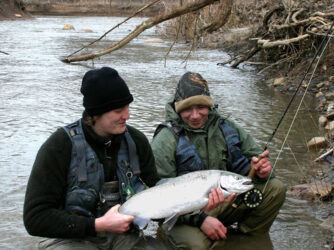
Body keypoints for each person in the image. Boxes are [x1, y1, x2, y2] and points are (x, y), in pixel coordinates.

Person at [23, 67, 170, 249]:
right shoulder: (59, 146)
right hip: (71, 240)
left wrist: (197, 210)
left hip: (125, 238)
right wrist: (97, 225)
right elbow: (34, 219)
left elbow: (157, 193)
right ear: (95, 113)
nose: (127, 115)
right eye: (118, 110)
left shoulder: (137, 142)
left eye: (127, 107)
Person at [151, 72, 287, 250]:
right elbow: (157, 199)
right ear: (177, 108)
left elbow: (260, 158)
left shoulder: (227, 126)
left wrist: (264, 170)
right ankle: (168, 236)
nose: (195, 115)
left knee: (275, 188)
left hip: (225, 202)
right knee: (197, 246)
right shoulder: (165, 139)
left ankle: (249, 239)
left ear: (209, 105)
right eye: (186, 109)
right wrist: (201, 219)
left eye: (201, 107)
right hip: (184, 213)